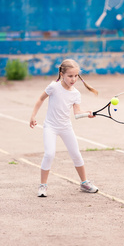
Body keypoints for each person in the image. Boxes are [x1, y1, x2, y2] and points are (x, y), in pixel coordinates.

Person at [30, 59, 99, 197]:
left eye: (75, 76)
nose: (73, 79)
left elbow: (77, 114)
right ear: (62, 74)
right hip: (50, 126)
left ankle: (84, 183)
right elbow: (40, 99)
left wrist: (87, 114)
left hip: (66, 127)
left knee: (76, 154)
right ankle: (43, 186)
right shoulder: (53, 87)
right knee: (49, 154)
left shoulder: (76, 94)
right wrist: (33, 115)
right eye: (70, 76)